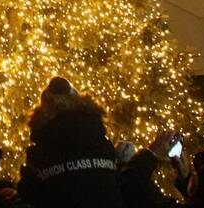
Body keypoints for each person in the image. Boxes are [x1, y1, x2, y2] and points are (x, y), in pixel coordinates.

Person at [17, 77, 124, 208]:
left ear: (43, 113)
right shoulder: (101, 142)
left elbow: (30, 196)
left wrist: (26, 181)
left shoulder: (41, 154)